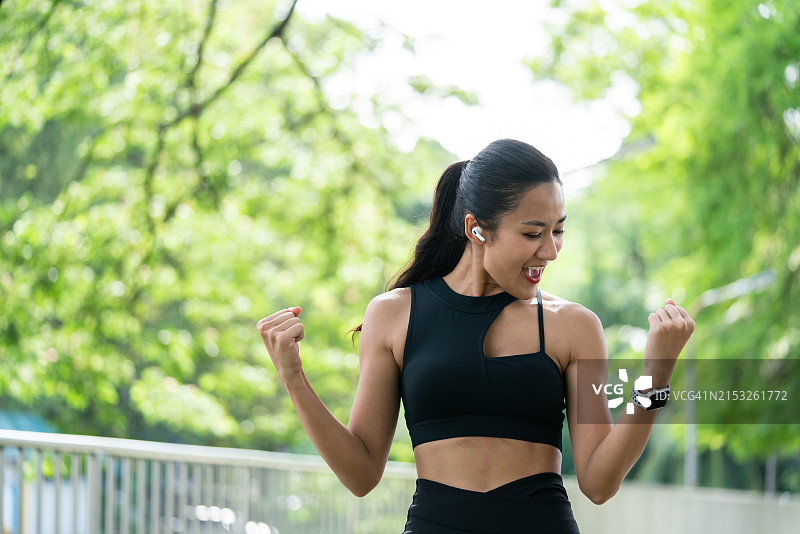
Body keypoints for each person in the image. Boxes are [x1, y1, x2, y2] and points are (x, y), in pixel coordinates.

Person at [257, 139, 695, 533]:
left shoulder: (573, 326)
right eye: (532, 233)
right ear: (476, 229)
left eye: (558, 230)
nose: (551, 250)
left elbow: (599, 482)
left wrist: (655, 377)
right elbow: (361, 473)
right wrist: (294, 377)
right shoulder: (393, 315)